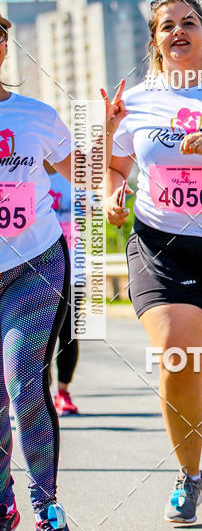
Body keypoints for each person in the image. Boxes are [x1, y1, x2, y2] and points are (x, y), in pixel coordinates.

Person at [106, 0, 202, 523]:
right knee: (178, 355)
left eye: (188, 23)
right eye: (166, 26)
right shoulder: (139, 100)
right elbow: (117, 166)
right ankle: (188, 476)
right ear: (154, 40)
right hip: (160, 241)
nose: (178, 32)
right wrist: (111, 192)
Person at [0, 12, 125, 531]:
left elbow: (87, 174)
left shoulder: (36, 115)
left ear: (4, 48)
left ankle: (46, 506)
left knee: (25, 383)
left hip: (34, 263)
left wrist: (110, 139)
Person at [47, 169, 80, 415]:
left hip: (73, 266)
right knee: (36, 335)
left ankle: (63, 392)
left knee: (69, 332)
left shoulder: (73, 172)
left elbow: (95, 214)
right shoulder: (25, 167)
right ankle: (37, 392)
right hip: (34, 266)